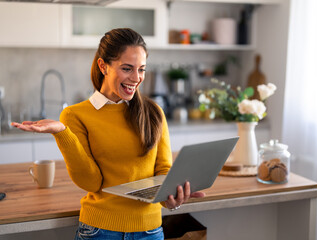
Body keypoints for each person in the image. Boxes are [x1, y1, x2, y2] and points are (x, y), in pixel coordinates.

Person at [12, 28, 204, 240]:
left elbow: (163, 170)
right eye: (127, 68)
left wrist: (170, 197)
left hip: (150, 231)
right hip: (100, 231)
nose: (136, 78)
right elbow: (91, 183)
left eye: (141, 69)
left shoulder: (153, 112)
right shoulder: (75, 115)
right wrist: (63, 133)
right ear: (103, 66)